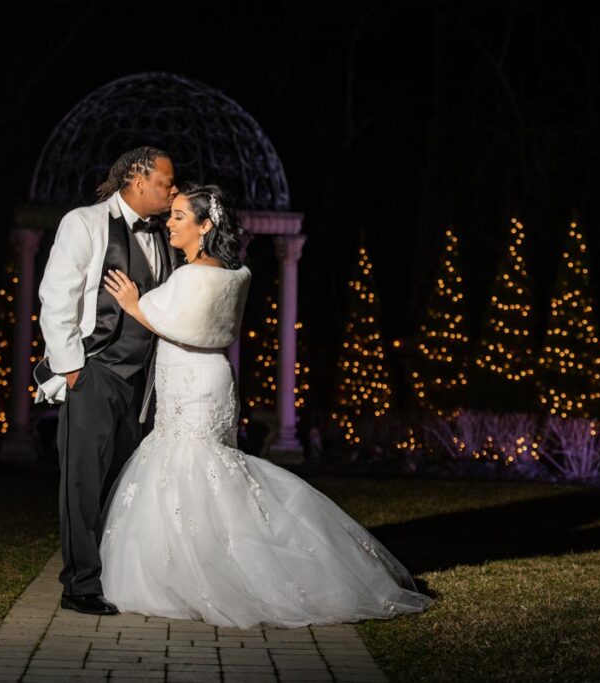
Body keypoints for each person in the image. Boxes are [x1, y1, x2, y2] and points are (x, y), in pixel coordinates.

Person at [98, 183, 433, 628]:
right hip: (212, 379)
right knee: (205, 468)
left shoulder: (190, 277)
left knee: (189, 466)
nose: (171, 222)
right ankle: (197, 564)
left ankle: (196, 575)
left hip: (190, 380)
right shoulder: (236, 274)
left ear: (205, 225)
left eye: (180, 216)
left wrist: (131, 304)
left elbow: (172, 326)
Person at [34, 146, 179, 615]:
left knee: (124, 484)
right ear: (137, 180)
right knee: (82, 483)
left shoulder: (163, 236)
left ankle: (118, 575)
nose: (172, 189)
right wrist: (73, 371)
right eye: (165, 182)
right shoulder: (85, 222)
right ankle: (79, 586)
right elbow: (57, 297)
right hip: (93, 373)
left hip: (142, 383)